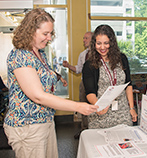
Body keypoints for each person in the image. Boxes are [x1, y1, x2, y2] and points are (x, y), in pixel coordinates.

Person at [3, 8, 98, 158]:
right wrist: (78, 106)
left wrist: (58, 77)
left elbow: (44, 75)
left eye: (51, 34)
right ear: (30, 31)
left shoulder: (39, 53)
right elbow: (38, 96)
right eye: (45, 34)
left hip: (45, 120)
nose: (49, 38)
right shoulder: (21, 55)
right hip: (27, 126)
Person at [82, 24, 138, 129]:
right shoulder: (90, 64)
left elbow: (128, 84)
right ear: (94, 44)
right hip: (101, 112)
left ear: (111, 43)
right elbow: (90, 92)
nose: (102, 47)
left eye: (106, 43)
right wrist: (98, 106)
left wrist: (131, 107)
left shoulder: (122, 59)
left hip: (122, 111)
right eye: (99, 43)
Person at [63, 31, 93, 138]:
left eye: (86, 38)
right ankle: (84, 130)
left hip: (96, 84)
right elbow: (78, 69)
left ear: (92, 39)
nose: (84, 40)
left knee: (95, 107)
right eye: (83, 38)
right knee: (83, 107)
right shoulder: (83, 54)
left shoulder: (99, 53)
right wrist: (68, 66)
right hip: (84, 84)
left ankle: (95, 129)